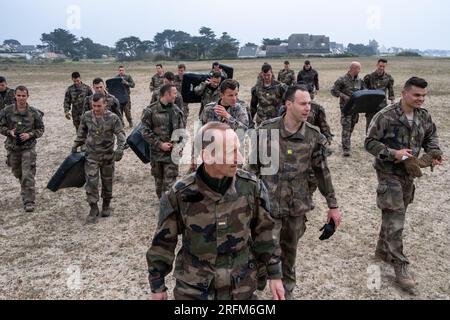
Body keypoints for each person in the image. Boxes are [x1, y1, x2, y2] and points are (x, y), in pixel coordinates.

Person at [147, 122, 285, 300]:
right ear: (208, 156)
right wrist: (157, 287)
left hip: (240, 288)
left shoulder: (251, 187)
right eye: (231, 153)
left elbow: (265, 233)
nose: (240, 159)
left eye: (239, 150)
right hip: (195, 291)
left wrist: (275, 274)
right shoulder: (180, 195)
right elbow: (163, 244)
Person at [248, 85, 342, 300]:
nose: (308, 108)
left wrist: (333, 206)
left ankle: (285, 293)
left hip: (296, 207)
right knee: (261, 248)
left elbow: (322, 172)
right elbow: (252, 169)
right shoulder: (266, 130)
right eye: (302, 103)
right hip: (267, 207)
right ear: (288, 104)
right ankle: (258, 280)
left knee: (289, 254)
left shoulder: (313, 135)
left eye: (309, 103)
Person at [365, 77, 443, 290]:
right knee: (396, 216)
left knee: (394, 213)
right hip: (389, 173)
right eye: (417, 95)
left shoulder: (423, 116)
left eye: (424, 95)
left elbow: (431, 136)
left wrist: (434, 152)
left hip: (409, 174)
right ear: (404, 93)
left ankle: (382, 250)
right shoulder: (386, 116)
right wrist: (393, 154)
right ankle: (400, 264)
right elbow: (370, 142)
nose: (421, 99)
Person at [72, 93, 126, 224]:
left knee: (107, 181)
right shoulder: (86, 116)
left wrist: (120, 148)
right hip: (91, 156)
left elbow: (120, 133)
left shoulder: (113, 118)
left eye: (99, 106)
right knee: (91, 182)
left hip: (108, 156)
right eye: (94, 105)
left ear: (105, 104)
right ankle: (93, 207)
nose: (96, 108)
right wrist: (75, 145)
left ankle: (106, 204)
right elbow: (81, 133)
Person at [0, 86, 45, 212]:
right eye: (18, 95)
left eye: (23, 95)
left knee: (28, 175)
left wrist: (30, 135)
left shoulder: (34, 112)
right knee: (18, 173)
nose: (21, 98)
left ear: (27, 96)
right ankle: (24, 189)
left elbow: (41, 129)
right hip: (13, 148)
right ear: (15, 95)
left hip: (28, 148)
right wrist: (9, 132)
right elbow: (1, 126)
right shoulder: (6, 111)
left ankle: (29, 201)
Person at [142, 84, 186, 199]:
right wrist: (160, 144)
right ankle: (162, 202)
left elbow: (182, 132)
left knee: (170, 184)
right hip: (157, 155)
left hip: (172, 154)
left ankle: (168, 206)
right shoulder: (150, 111)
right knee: (159, 183)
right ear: (167, 94)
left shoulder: (177, 111)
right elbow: (144, 132)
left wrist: (179, 147)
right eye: (174, 93)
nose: (176, 96)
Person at [331, 61, 366, 157]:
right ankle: (346, 148)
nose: (359, 70)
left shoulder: (360, 81)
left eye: (360, 68)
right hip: (346, 108)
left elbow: (364, 91)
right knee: (346, 127)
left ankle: (346, 142)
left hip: (356, 108)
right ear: (352, 68)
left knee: (351, 127)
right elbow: (333, 91)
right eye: (358, 68)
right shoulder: (342, 80)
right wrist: (343, 96)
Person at [363, 59, 395, 132]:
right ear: (377, 65)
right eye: (380, 66)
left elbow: (391, 90)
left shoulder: (388, 77)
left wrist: (392, 102)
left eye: (383, 66)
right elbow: (363, 90)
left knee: (382, 126)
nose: (381, 68)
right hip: (371, 106)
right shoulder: (369, 77)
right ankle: (368, 142)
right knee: (369, 127)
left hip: (382, 106)